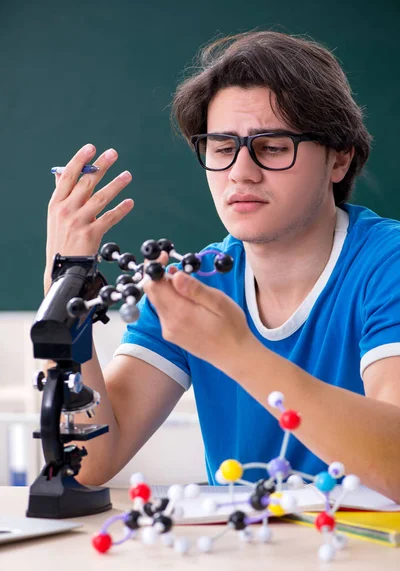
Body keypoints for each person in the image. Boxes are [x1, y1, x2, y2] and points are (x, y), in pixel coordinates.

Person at [45, 31, 400, 501]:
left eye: (272, 147)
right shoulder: (193, 284)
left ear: (340, 158)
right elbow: (90, 460)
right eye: (221, 147)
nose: (241, 172)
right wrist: (62, 284)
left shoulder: (386, 264)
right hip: (244, 562)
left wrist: (236, 351)